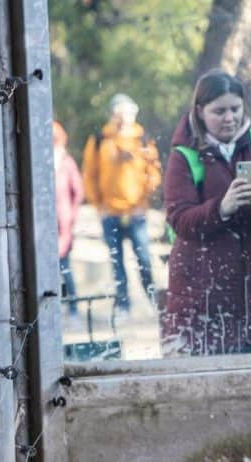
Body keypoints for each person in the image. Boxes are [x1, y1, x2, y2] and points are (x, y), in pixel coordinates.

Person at [162, 70, 251, 356]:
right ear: (200, 112)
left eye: (235, 109)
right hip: (203, 295)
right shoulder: (184, 156)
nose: (229, 118)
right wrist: (221, 208)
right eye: (219, 111)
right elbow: (179, 219)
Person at [81, 93, 162, 315]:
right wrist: (99, 205)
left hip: (136, 211)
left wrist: (144, 197)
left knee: (144, 258)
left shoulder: (142, 139)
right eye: (120, 113)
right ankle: (123, 304)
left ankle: (155, 301)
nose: (124, 118)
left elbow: (154, 171)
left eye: (128, 113)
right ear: (112, 114)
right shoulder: (100, 140)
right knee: (117, 261)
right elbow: (90, 175)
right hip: (110, 212)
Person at [53, 120, 84, 320]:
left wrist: (72, 216)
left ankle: (73, 308)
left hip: (62, 221)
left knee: (64, 266)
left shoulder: (66, 162)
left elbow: (77, 191)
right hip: (46, 223)